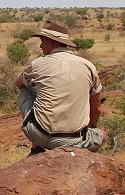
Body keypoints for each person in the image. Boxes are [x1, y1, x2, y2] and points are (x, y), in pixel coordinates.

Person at [14, 20, 105, 154]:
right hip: (75, 142)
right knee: (102, 134)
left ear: (52, 41)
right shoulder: (88, 66)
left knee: (26, 89)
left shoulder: (37, 64)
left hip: (38, 135)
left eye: (42, 40)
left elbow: (18, 84)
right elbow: (96, 108)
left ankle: (36, 149)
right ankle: (85, 160)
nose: (40, 45)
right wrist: (91, 128)